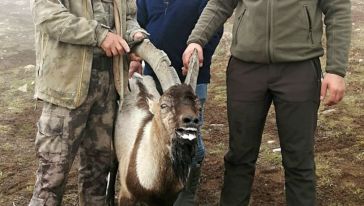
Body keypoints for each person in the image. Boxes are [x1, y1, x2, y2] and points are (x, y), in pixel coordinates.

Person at [182, 0, 351, 205]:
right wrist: (197, 39)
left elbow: (338, 8)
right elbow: (219, 3)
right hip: (245, 70)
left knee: (299, 160)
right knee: (239, 157)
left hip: (299, 68)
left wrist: (336, 69)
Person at [28, 0, 146, 205]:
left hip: (108, 91)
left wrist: (134, 36)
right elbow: (47, 15)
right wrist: (100, 35)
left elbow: (129, 17)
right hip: (65, 90)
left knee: (98, 173)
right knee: (52, 176)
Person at [134, 0, 223, 205]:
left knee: (189, 137)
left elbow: (214, 28)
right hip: (156, 78)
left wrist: (198, 58)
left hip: (192, 80)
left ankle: (187, 193)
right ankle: (158, 183)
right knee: (158, 134)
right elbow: (139, 26)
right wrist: (135, 58)